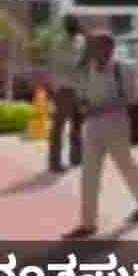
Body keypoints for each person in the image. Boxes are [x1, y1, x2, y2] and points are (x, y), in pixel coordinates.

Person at [63, 32, 138, 239]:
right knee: (89, 175)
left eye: (96, 46)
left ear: (109, 48)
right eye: (91, 46)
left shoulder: (124, 69)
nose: (92, 50)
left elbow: (131, 99)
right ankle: (88, 223)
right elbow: (83, 95)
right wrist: (82, 105)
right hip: (93, 128)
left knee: (127, 168)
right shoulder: (88, 69)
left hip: (117, 128)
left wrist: (99, 109)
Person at [47, 15, 87, 173]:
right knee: (59, 126)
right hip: (64, 89)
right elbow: (71, 63)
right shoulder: (59, 43)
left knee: (78, 124)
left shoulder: (81, 40)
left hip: (79, 89)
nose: (76, 26)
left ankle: (76, 157)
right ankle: (55, 162)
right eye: (73, 24)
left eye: (76, 23)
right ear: (67, 26)